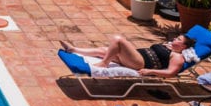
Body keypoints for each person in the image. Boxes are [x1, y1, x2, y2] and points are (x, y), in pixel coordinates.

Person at [60, 33, 196, 77]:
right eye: (177, 37)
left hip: (140, 63)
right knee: (103, 49)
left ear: (184, 46)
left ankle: (104, 63)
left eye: (179, 40)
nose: (175, 40)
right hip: (135, 57)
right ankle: (74, 50)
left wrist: (150, 71)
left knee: (118, 39)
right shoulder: (169, 46)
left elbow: (171, 73)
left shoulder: (178, 57)